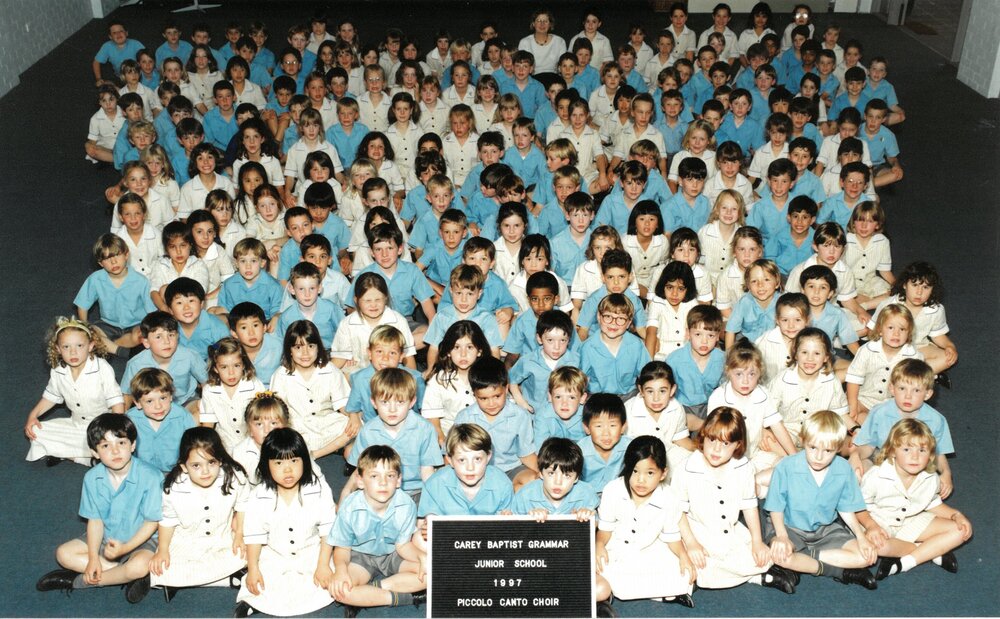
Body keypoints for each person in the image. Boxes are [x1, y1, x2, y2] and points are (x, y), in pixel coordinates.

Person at [36, 414, 160, 603]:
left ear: (133, 445)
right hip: (107, 536)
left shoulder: (151, 476)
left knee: (139, 566)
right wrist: (93, 557)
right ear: (94, 452)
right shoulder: (92, 478)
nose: (115, 451)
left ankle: (78, 581)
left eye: (121, 443)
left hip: (142, 540)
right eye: (105, 446)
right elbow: (95, 521)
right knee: (63, 554)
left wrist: (126, 547)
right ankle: (125, 576)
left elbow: (152, 523)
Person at [674, 407, 797, 593]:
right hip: (698, 531)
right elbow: (678, 512)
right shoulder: (685, 469)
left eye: (725, 444)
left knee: (762, 555)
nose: (716, 449)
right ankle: (757, 576)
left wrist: (757, 540)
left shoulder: (744, 467)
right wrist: (691, 543)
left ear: (737, 445)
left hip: (729, 530)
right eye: (712, 440)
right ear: (703, 437)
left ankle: (748, 572)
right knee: (694, 564)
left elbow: (749, 506)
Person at [763, 410, 879, 590]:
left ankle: (805, 557)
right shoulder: (786, 466)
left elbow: (847, 507)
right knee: (781, 555)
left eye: (828, 450)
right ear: (803, 441)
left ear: (839, 447)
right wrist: (782, 537)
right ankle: (839, 571)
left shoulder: (843, 469)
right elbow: (775, 507)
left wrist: (861, 536)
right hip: (788, 526)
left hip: (824, 529)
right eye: (813, 448)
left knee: (867, 557)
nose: (818, 456)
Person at [234, 428, 336, 617]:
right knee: (262, 583)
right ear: (267, 465)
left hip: (310, 551)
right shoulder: (259, 495)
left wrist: (323, 564)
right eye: (278, 462)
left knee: (324, 584)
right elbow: (254, 535)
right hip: (275, 553)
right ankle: (255, 602)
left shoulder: (319, 489)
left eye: (294, 461)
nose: (287, 469)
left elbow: (328, 529)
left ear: (305, 462)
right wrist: (253, 569)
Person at [860, 419, 971, 580]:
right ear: (892, 451)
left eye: (922, 450)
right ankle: (928, 550)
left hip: (910, 520)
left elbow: (933, 504)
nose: (915, 456)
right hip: (878, 523)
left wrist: (956, 515)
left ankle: (905, 563)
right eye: (906, 449)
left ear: (931, 455)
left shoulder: (930, 478)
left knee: (961, 531)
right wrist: (871, 527)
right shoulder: (876, 475)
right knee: (877, 547)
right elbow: (857, 507)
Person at [594, 435, 695, 611]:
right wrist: (599, 545)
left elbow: (671, 537)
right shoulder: (613, 490)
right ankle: (660, 593)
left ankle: (628, 591)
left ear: (663, 473)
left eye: (650, 473)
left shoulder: (669, 497)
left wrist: (683, 555)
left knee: (685, 573)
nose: (641, 480)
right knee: (599, 568)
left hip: (650, 549)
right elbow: (605, 530)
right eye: (635, 471)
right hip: (618, 550)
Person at [325, 445, 427, 614]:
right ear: (360, 480)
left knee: (431, 572)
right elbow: (342, 548)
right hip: (361, 558)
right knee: (340, 591)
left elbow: (403, 546)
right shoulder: (350, 507)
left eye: (390, 476)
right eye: (374, 476)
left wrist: (421, 557)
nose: (383, 482)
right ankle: (403, 598)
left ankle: (372, 590)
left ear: (399, 480)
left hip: (392, 553)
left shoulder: (406, 504)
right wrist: (341, 572)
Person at [149, 427, 247, 597]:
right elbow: (168, 520)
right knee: (161, 567)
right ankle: (229, 579)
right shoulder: (174, 487)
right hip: (187, 540)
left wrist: (239, 535)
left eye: (211, 462)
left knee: (249, 554)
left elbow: (243, 505)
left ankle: (180, 583)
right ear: (184, 467)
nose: (206, 471)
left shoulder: (234, 477)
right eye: (196, 465)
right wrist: (163, 549)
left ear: (220, 460)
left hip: (221, 537)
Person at [25, 317, 124, 466]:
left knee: (109, 443)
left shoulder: (102, 368)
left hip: (102, 427)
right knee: (37, 431)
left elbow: (116, 401)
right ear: (58, 349)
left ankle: (76, 455)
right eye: (66, 347)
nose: (73, 352)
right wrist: (32, 416)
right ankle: (89, 457)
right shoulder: (58, 370)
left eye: (79, 346)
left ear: (90, 346)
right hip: (76, 425)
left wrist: (115, 430)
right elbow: (51, 397)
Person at [853, 359, 955, 498]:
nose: (908, 396)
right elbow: (868, 446)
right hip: (882, 460)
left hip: (915, 465)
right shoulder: (879, 412)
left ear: (927, 394)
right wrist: (855, 455)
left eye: (916, 390)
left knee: (936, 484)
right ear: (892, 389)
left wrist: (946, 473)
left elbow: (937, 453)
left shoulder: (936, 420)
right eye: (902, 388)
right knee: (859, 469)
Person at [344, 368, 443, 500]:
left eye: (400, 402)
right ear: (373, 402)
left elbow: (427, 471)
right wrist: (346, 491)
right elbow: (361, 470)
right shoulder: (367, 431)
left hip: (416, 491)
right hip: (379, 489)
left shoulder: (425, 429)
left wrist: (432, 503)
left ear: (412, 402)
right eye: (385, 402)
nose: (392, 409)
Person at [270, 320, 355, 459]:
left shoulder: (329, 369)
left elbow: (343, 404)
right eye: (298, 347)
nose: (305, 353)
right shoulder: (280, 375)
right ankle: (332, 448)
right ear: (289, 350)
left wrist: (354, 417)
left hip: (325, 421)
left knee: (351, 424)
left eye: (310, 346)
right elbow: (277, 411)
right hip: (297, 425)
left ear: (318, 347)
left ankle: (315, 454)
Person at [454, 356, 538, 490]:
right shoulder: (464, 418)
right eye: (483, 398)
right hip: (478, 472)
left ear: (506, 389)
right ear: (474, 394)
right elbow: (455, 455)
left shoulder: (520, 416)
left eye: (497, 396)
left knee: (531, 481)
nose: (491, 403)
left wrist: (542, 475)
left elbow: (526, 454)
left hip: (512, 469)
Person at [867, 261, 957, 376]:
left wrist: (950, 346)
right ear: (904, 285)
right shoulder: (889, 305)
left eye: (925, 287)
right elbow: (872, 331)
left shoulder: (936, 309)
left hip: (919, 346)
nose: (919, 292)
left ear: (932, 289)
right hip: (893, 347)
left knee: (947, 358)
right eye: (914, 285)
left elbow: (938, 335)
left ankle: (905, 375)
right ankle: (920, 374)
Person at [74, 234, 155, 358]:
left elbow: (151, 312)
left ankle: (110, 345)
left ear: (126, 255)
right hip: (107, 323)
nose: (113, 261)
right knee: (92, 334)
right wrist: (85, 327)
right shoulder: (96, 279)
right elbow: (83, 305)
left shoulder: (141, 281)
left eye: (117, 255)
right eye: (107, 259)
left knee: (140, 336)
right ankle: (120, 351)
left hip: (135, 324)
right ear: (101, 263)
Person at [846, 303, 923, 427]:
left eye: (902, 329)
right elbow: (853, 379)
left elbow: (917, 388)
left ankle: (873, 431)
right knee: (844, 412)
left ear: (909, 333)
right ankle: (867, 429)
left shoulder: (914, 357)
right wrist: (853, 405)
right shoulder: (867, 350)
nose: (896, 334)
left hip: (893, 405)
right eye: (890, 328)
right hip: (864, 400)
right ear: (880, 330)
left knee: (906, 425)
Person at [418, 423, 514, 520]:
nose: (470, 468)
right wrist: (427, 527)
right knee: (419, 535)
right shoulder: (435, 484)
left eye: (477, 459)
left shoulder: (502, 484)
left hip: (489, 534)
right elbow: (426, 523)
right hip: (449, 534)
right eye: (462, 460)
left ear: (488, 457)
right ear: (450, 460)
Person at [198, 337, 265, 452]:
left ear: (243, 365)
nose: (231, 373)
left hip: (253, 444)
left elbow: (265, 418)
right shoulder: (209, 390)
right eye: (224, 367)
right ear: (215, 368)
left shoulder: (255, 385)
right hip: (224, 446)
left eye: (236, 365)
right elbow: (208, 425)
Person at [511, 437, 599, 519]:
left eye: (567, 476)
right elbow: (512, 530)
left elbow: (597, 526)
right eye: (551, 473)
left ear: (576, 478)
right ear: (541, 473)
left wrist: (588, 519)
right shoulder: (524, 496)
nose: (558, 482)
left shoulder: (587, 494)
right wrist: (530, 521)